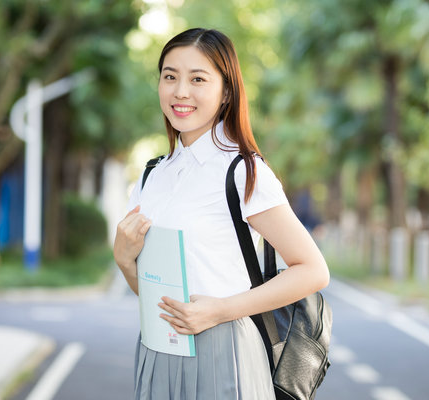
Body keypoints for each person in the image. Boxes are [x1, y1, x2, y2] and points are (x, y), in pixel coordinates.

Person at [113, 28, 330, 400]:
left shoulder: (243, 171)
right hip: (157, 348)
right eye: (170, 77)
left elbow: (312, 270)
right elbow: (154, 295)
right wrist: (124, 261)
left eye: (198, 79)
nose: (181, 91)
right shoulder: (152, 176)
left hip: (224, 350)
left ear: (226, 91)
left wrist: (220, 310)